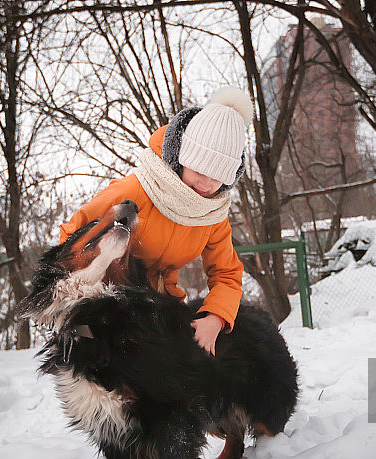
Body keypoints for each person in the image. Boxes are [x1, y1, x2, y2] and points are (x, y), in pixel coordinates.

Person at [59, 86, 253, 355]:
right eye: (199, 170)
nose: (207, 184)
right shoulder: (133, 191)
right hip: (109, 303)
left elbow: (227, 274)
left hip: (162, 307)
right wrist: (83, 298)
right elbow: (73, 238)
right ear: (181, 156)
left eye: (218, 175)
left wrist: (215, 318)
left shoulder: (213, 215)